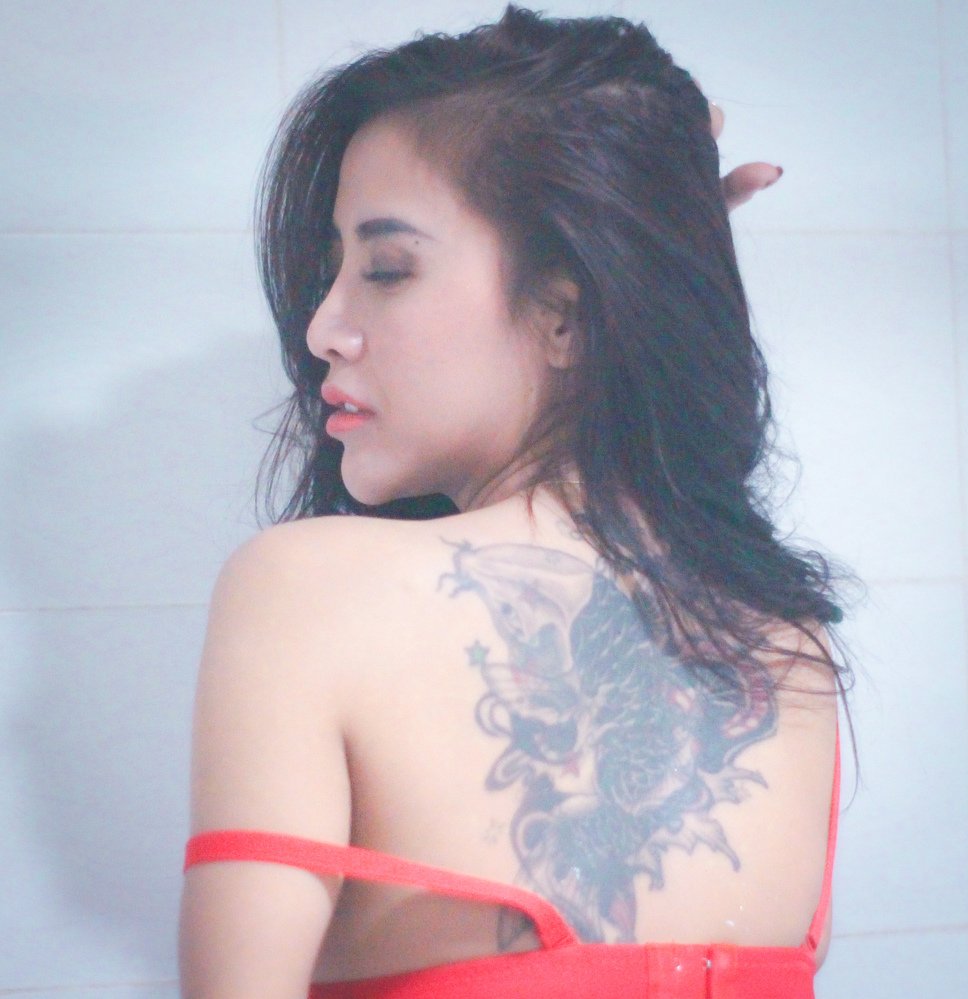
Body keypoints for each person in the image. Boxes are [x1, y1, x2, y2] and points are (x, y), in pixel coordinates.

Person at [179, 7, 849, 998]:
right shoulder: (784, 639)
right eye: (332, 272)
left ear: (568, 313)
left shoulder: (307, 591)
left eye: (386, 269)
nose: (322, 328)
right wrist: (652, 250)